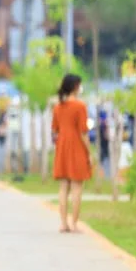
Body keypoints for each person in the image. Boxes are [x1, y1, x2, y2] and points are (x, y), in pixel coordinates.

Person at [51, 74, 92, 232]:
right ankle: (74, 223)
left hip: (62, 146)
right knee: (76, 187)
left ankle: (63, 223)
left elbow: (54, 129)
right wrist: (89, 152)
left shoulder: (57, 107)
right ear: (76, 86)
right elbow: (83, 132)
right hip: (76, 147)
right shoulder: (80, 106)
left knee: (63, 187)